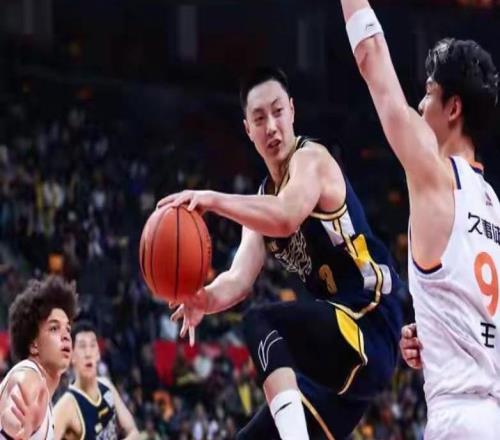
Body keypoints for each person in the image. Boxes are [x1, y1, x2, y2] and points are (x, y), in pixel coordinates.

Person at [157, 67, 402, 439]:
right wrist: (203, 299)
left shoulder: (312, 160)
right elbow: (239, 278)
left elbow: (286, 217)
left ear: (292, 110)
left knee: (261, 321)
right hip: (338, 362)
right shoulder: (262, 199)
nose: (271, 126)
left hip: (369, 320)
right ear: (248, 129)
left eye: (277, 112)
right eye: (259, 119)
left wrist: (212, 199)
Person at [338, 0, 500, 438]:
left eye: (428, 93)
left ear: (453, 108)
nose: (420, 104)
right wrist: (437, 330)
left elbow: (372, 58)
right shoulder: (493, 207)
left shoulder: (434, 174)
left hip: (459, 419)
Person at [0, 276, 77, 439]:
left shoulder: (45, 403)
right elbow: (15, 407)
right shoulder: (30, 376)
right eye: (54, 328)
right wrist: (15, 426)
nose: (66, 336)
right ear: (34, 345)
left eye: (68, 329)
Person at [54, 320, 139, 440]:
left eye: (92, 345)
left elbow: (134, 431)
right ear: (71, 356)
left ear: (98, 353)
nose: (88, 353)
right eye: (82, 346)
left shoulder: (106, 386)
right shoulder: (66, 406)